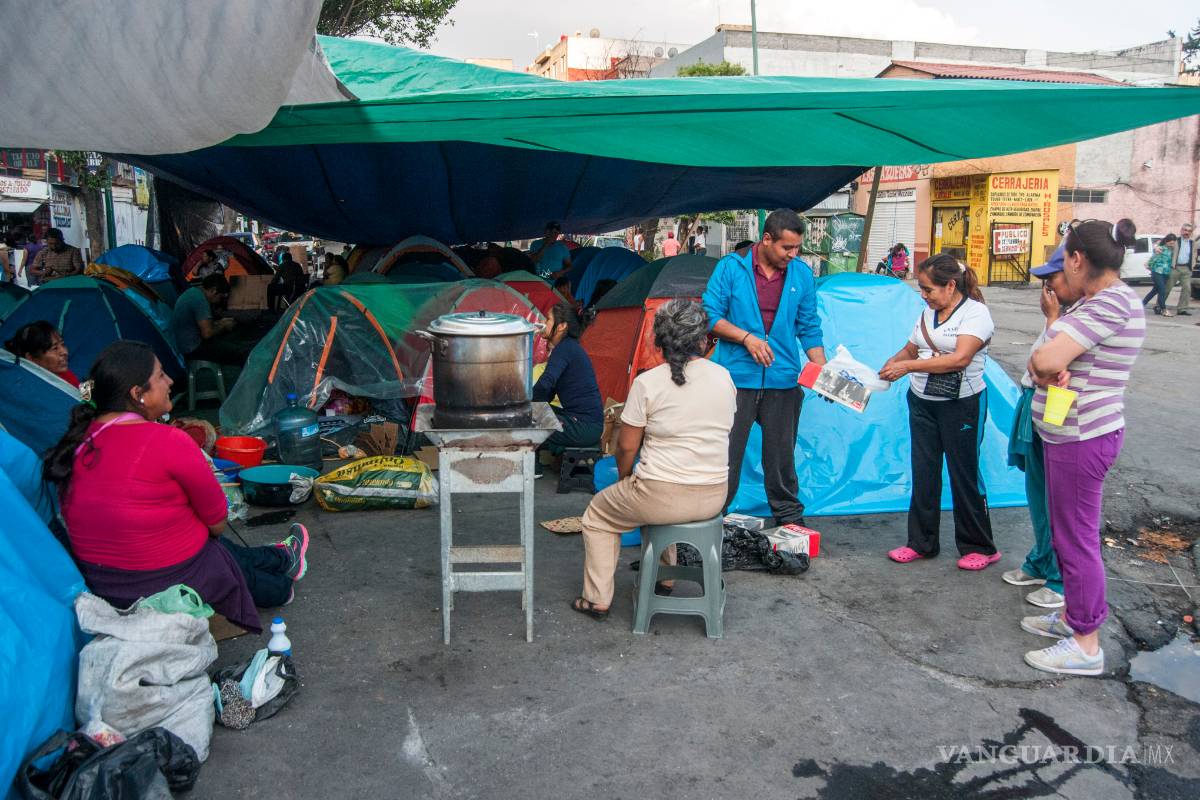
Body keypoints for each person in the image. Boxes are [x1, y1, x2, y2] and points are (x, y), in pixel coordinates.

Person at [44, 341, 309, 632]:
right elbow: (218, 523)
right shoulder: (168, 441)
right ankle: (281, 585)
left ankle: (282, 556)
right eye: (160, 376)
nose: (170, 381)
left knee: (208, 542)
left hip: (106, 585)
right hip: (162, 581)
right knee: (217, 549)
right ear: (138, 394)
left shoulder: (78, 442)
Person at [1021, 219, 1144, 676]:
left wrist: (1045, 366)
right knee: (1067, 532)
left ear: (1076, 259)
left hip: (1082, 435)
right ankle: (1073, 619)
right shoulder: (1100, 303)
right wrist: (1047, 367)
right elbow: (1050, 361)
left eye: (1063, 258)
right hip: (1069, 432)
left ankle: (1086, 643)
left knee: (1076, 539)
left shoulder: (1109, 302)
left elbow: (1046, 359)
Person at [571, 300, 736, 620]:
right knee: (652, 495)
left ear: (658, 342)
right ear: (702, 341)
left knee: (598, 516)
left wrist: (624, 479)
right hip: (714, 494)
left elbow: (626, 449)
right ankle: (666, 579)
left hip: (661, 495)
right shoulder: (724, 377)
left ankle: (597, 599)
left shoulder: (648, 383)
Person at [702, 208, 825, 527]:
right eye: (787, 248)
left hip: (783, 381)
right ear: (767, 239)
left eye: (797, 248)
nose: (793, 255)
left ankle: (789, 521)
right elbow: (710, 317)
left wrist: (822, 369)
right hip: (735, 380)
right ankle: (711, 517)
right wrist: (747, 339)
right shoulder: (730, 268)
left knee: (781, 458)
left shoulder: (801, 274)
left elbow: (809, 325)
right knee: (726, 456)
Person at [879, 254, 998, 570]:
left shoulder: (976, 314)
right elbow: (910, 348)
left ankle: (979, 546)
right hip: (922, 401)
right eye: (921, 289)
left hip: (962, 405)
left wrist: (907, 366)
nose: (923, 295)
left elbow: (960, 359)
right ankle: (921, 542)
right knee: (924, 471)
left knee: (964, 474)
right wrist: (890, 365)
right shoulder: (925, 314)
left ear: (950, 286)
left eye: (928, 289)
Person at [1002, 246, 1067, 609]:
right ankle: (1042, 559)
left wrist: (1054, 319)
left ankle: (1060, 577)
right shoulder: (1061, 316)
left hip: (1060, 407)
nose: (1047, 288)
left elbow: (1047, 368)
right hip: (1034, 404)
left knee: (1059, 497)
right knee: (1037, 488)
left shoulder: (1080, 318)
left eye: (1051, 280)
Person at [533, 303, 604, 474]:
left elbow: (545, 383)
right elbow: (547, 392)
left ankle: (532, 468)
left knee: (529, 417)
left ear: (562, 326)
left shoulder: (565, 348)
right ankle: (534, 464)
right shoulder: (568, 348)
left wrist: (526, 407)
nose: (543, 322)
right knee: (535, 411)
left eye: (548, 319)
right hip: (585, 423)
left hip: (585, 427)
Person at [170, 273, 241, 364]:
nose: (219, 301)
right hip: (192, 349)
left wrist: (220, 323)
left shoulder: (194, 292)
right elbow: (207, 334)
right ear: (214, 291)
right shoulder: (200, 300)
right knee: (239, 351)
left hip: (184, 344)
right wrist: (224, 325)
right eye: (220, 297)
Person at [4, 321, 80, 386]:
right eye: (55, 348)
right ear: (31, 358)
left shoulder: (67, 375)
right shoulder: (26, 389)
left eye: (63, 344)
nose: (65, 352)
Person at [1163, 222, 1195, 316]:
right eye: (1185, 230)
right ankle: (1159, 306)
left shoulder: (1192, 243)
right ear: (1181, 231)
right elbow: (1162, 245)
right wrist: (1156, 248)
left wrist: (1192, 265)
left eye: (1189, 231)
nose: (1187, 232)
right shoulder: (1176, 241)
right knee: (1167, 288)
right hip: (1175, 268)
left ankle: (1182, 309)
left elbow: (1195, 254)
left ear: (1191, 233)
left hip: (1186, 269)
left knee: (1187, 288)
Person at [1142, 234, 1177, 316]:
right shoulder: (1160, 249)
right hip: (1157, 272)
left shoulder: (1170, 250)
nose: (1172, 245)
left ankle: (1141, 304)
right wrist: (1149, 266)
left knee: (1154, 291)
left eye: (1173, 243)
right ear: (1166, 242)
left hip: (1165, 273)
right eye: (1170, 243)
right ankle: (1164, 309)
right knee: (1162, 290)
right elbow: (1154, 258)